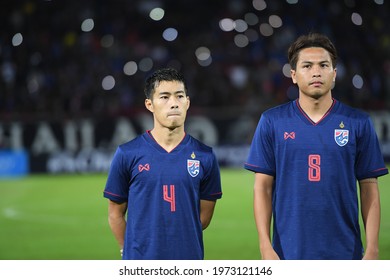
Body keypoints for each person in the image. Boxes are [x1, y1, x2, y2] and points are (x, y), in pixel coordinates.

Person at [244, 33, 388, 260]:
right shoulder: (272, 122)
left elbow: (369, 187)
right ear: (294, 75)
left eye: (323, 65)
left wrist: (372, 249)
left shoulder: (358, 123)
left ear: (334, 74)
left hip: (345, 255)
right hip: (287, 254)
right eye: (307, 66)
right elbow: (262, 188)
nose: (316, 72)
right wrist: (265, 246)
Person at [103, 68, 222, 260]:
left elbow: (204, 218)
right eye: (164, 97)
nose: (174, 104)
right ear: (150, 104)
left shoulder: (205, 156)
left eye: (179, 96)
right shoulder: (127, 154)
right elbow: (115, 214)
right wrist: (129, 252)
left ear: (188, 102)